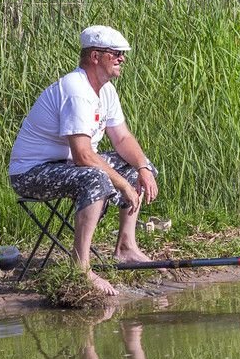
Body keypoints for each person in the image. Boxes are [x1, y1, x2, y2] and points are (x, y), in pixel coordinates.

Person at [9, 25, 159, 296]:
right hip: (31, 173)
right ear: (95, 56)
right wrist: (124, 186)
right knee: (95, 177)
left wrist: (143, 168)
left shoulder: (107, 91)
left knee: (137, 166)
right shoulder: (76, 90)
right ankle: (81, 267)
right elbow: (83, 155)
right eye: (115, 53)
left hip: (66, 166)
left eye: (122, 54)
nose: (122, 58)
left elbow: (122, 138)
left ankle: (126, 247)